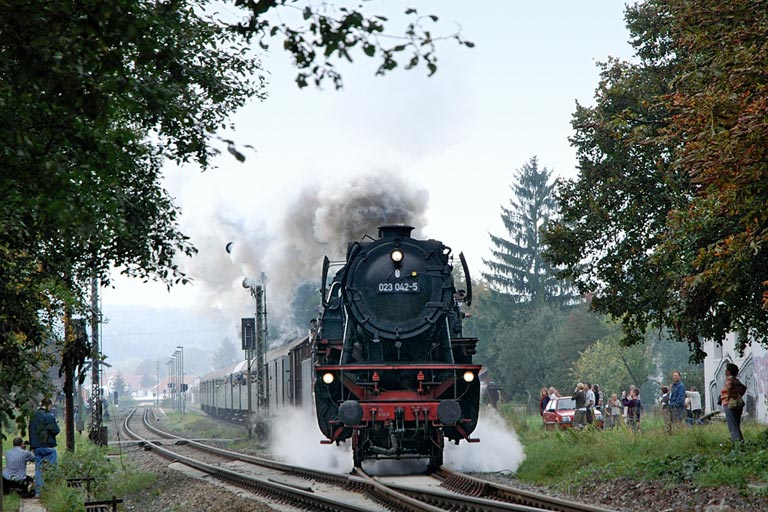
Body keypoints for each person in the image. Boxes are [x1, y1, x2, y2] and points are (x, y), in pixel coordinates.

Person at [29, 397, 60, 497]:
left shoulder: (33, 416)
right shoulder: (48, 415)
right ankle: (51, 489)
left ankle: (39, 492)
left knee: (38, 469)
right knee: (52, 467)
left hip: (36, 448)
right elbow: (56, 430)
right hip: (47, 446)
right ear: (48, 405)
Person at [719, 363, 747, 445]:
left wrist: (728, 396)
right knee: (736, 424)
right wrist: (737, 395)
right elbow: (743, 388)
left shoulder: (729, 380)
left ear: (729, 371)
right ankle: (740, 442)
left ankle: (738, 443)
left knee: (732, 425)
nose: (725, 371)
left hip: (729, 404)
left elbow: (728, 388)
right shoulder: (736, 380)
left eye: (726, 370)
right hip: (738, 404)